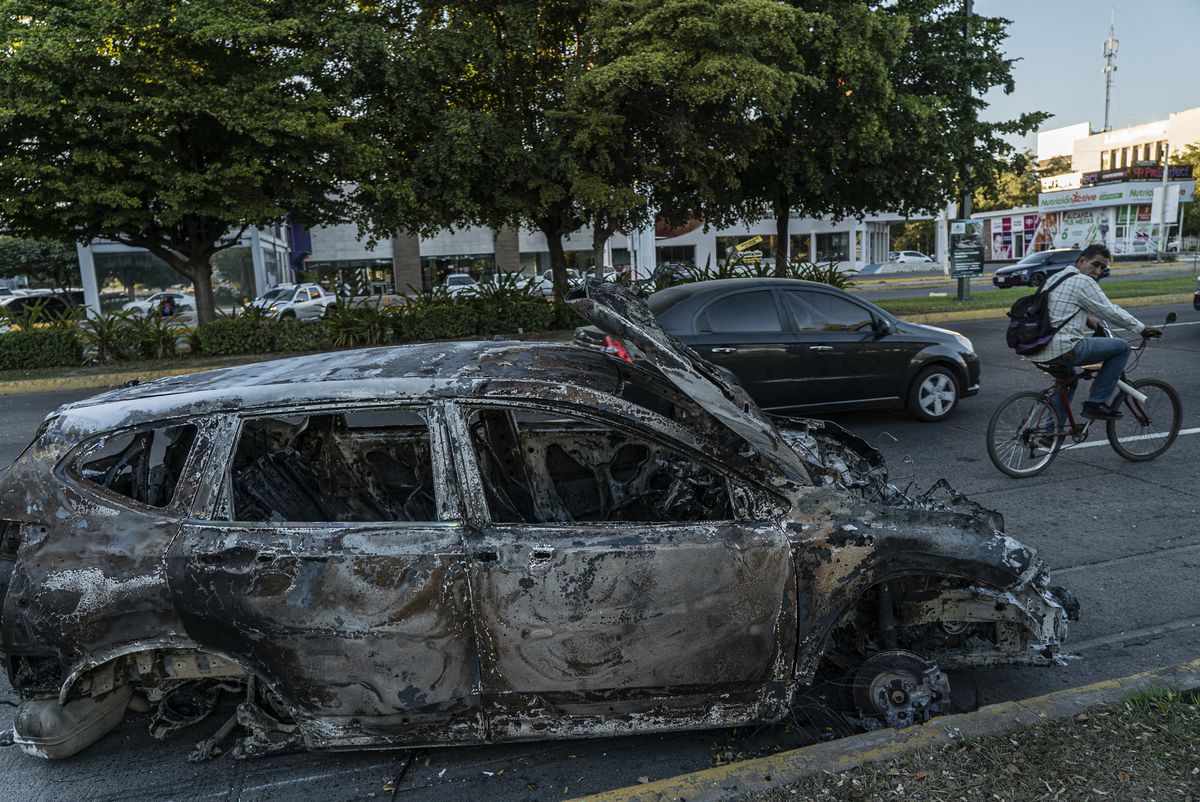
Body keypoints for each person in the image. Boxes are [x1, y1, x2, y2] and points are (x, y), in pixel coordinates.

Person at [1034, 244, 1162, 420]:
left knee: (1067, 381)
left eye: (1102, 268)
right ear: (1081, 261)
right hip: (1064, 348)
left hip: (1039, 346)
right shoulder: (1083, 281)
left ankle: (1050, 435)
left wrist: (1088, 320)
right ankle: (1096, 403)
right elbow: (1108, 310)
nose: (1098, 271)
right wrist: (1141, 328)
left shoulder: (1057, 277)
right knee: (1122, 348)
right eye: (1095, 264)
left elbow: (1056, 308)